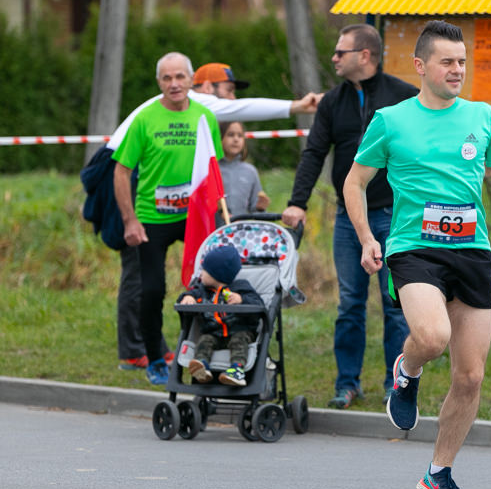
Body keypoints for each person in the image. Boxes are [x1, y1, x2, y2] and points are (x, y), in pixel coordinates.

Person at [343, 20, 491, 489]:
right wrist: (368, 238)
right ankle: (406, 370)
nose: (458, 69)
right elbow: (354, 183)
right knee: (432, 337)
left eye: (462, 62)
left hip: (472, 252)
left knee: (471, 377)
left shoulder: (481, 116)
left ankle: (439, 473)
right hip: (413, 247)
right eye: (447, 62)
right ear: (420, 66)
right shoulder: (391, 121)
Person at [91, 61, 321, 372]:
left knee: (200, 269)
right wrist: (297, 106)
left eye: (179, 77)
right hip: (127, 176)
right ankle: (137, 351)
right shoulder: (196, 99)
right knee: (142, 276)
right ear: (208, 87)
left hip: (173, 195)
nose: (232, 102)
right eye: (228, 91)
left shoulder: (195, 110)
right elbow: (248, 109)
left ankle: (182, 343)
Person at [281, 24, 418, 409]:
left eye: (340, 52)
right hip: (348, 221)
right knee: (350, 304)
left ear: (365, 56)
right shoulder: (331, 103)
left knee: (396, 304)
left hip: (396, 218)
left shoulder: (403, 97)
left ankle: (398, 385)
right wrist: (298, 202)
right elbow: (313, 154)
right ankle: (347, 384)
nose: (334, 58)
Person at [113, 51, 224, 385]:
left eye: (180, 77)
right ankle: (155, 358)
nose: (174, 84)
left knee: (208, 286)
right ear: (159, 82)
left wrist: (218, 210)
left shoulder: (205, 117)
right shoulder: (145, 119)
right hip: (153, 218)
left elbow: (214, 168)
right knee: (152, 290)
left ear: (192, 80)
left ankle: (203, 351)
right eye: (167, 78)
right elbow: (121, 172)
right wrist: (130, 220)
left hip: (195, 218)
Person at [178, 246, 264, 387]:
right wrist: (187, 297)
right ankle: (202, 368)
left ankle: (236, 371)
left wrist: (241, 300)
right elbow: (188, 295)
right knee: (204, 340)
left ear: (216, 275)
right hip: (214, 333)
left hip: (239, 331)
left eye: (204, 270)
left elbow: (258, 304)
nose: (200, 274)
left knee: (239, 341)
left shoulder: (241, 288)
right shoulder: (202, 291)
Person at [219, 121, 269, 221]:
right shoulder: (211, 170)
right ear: (219, 138)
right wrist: (219, 213)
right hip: (215, 233)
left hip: (241, 232)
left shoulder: (250, 171)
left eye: (240, 135)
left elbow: (255, 211)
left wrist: (260, 208)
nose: (236, 139)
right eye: (230, 135)